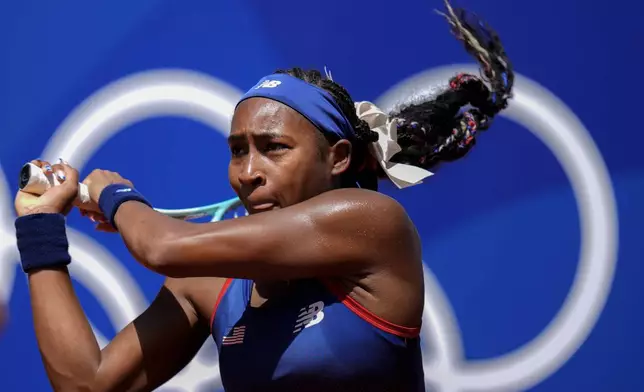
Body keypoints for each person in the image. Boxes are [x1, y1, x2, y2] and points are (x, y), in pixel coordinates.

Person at [13, 3, 513, 391]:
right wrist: (40, 232)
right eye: (238, 151)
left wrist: (115, 194)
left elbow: (161, 247)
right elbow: (87, 382)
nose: (249, 172)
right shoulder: (209, 284)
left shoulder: (373, 223)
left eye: (274, 149)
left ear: (337, 158)